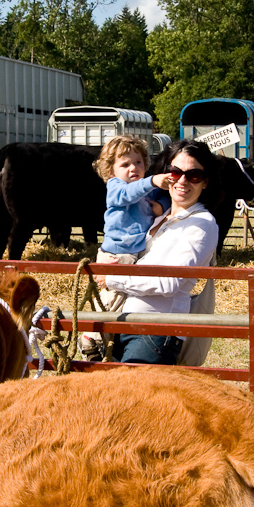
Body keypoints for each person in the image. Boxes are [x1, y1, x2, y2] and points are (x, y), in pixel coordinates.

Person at [96, 138, 220, 365]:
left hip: (155, 332)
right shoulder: (159, 218)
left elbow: (169, 282)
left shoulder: (202, 224)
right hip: (126, 325)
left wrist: (112, 278)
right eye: (175, 172)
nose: (182, 180)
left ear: (205, 182)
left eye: (194, 175)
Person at [80, 135, 171, 360]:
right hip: (118, 253)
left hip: (135, 253)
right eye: (125, 164)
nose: (134, 168)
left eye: (138, 162)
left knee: (125, 298)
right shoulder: (116, 186)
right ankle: (90, 336)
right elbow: (126, 196)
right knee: (114, 296)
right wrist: (151, 181)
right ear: (111, 171)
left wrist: (161, 204)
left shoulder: (144, 188)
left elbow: (166, 195)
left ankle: (111, 342)